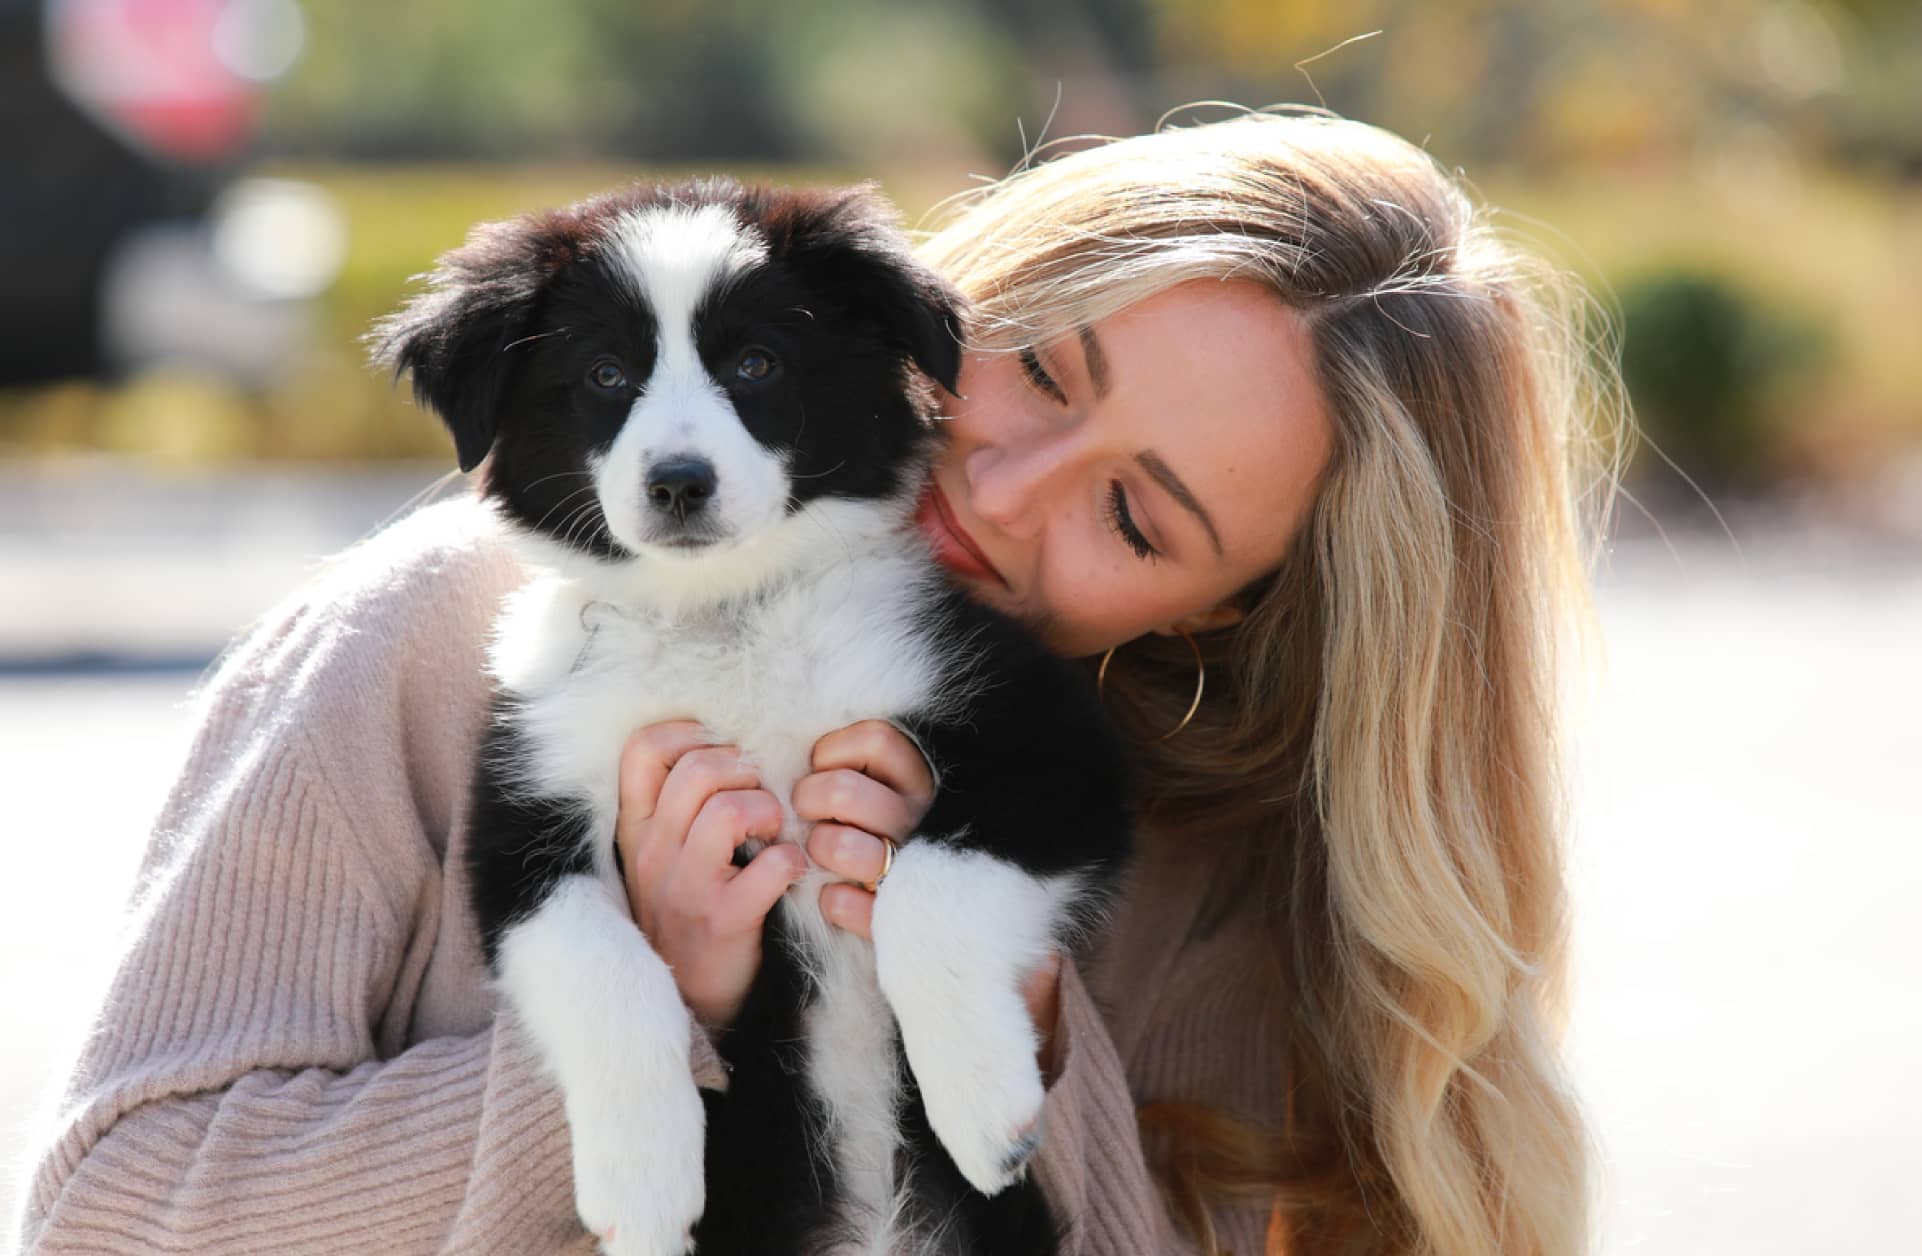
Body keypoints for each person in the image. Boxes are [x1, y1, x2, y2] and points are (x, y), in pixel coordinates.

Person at [16, 108, 1621, 1256]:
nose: (1009, 490)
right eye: (1044, 366)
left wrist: (1035, 1046)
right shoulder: (437, 642)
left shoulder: (1202, 858)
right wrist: (646, 1013)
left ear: (1224, 614)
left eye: (1133, 517)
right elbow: (110, 1218)